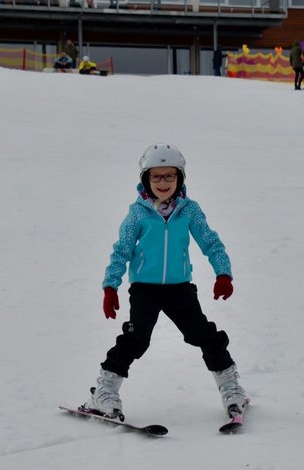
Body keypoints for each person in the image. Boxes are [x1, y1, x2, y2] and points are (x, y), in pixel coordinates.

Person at [81, 144, 247, 422]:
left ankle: (231, 388)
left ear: (180, 178)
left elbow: (210, 242)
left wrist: (223, 273)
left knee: (203, 334)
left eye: (169, 176)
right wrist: (110, 286)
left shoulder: (190, 211)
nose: (163, 183)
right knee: (135, 339)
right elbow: (121, 249)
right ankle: (104, 390)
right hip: (144, 289)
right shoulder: (138, 213)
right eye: (156, 177)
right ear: (145, 179)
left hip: (179, 288)